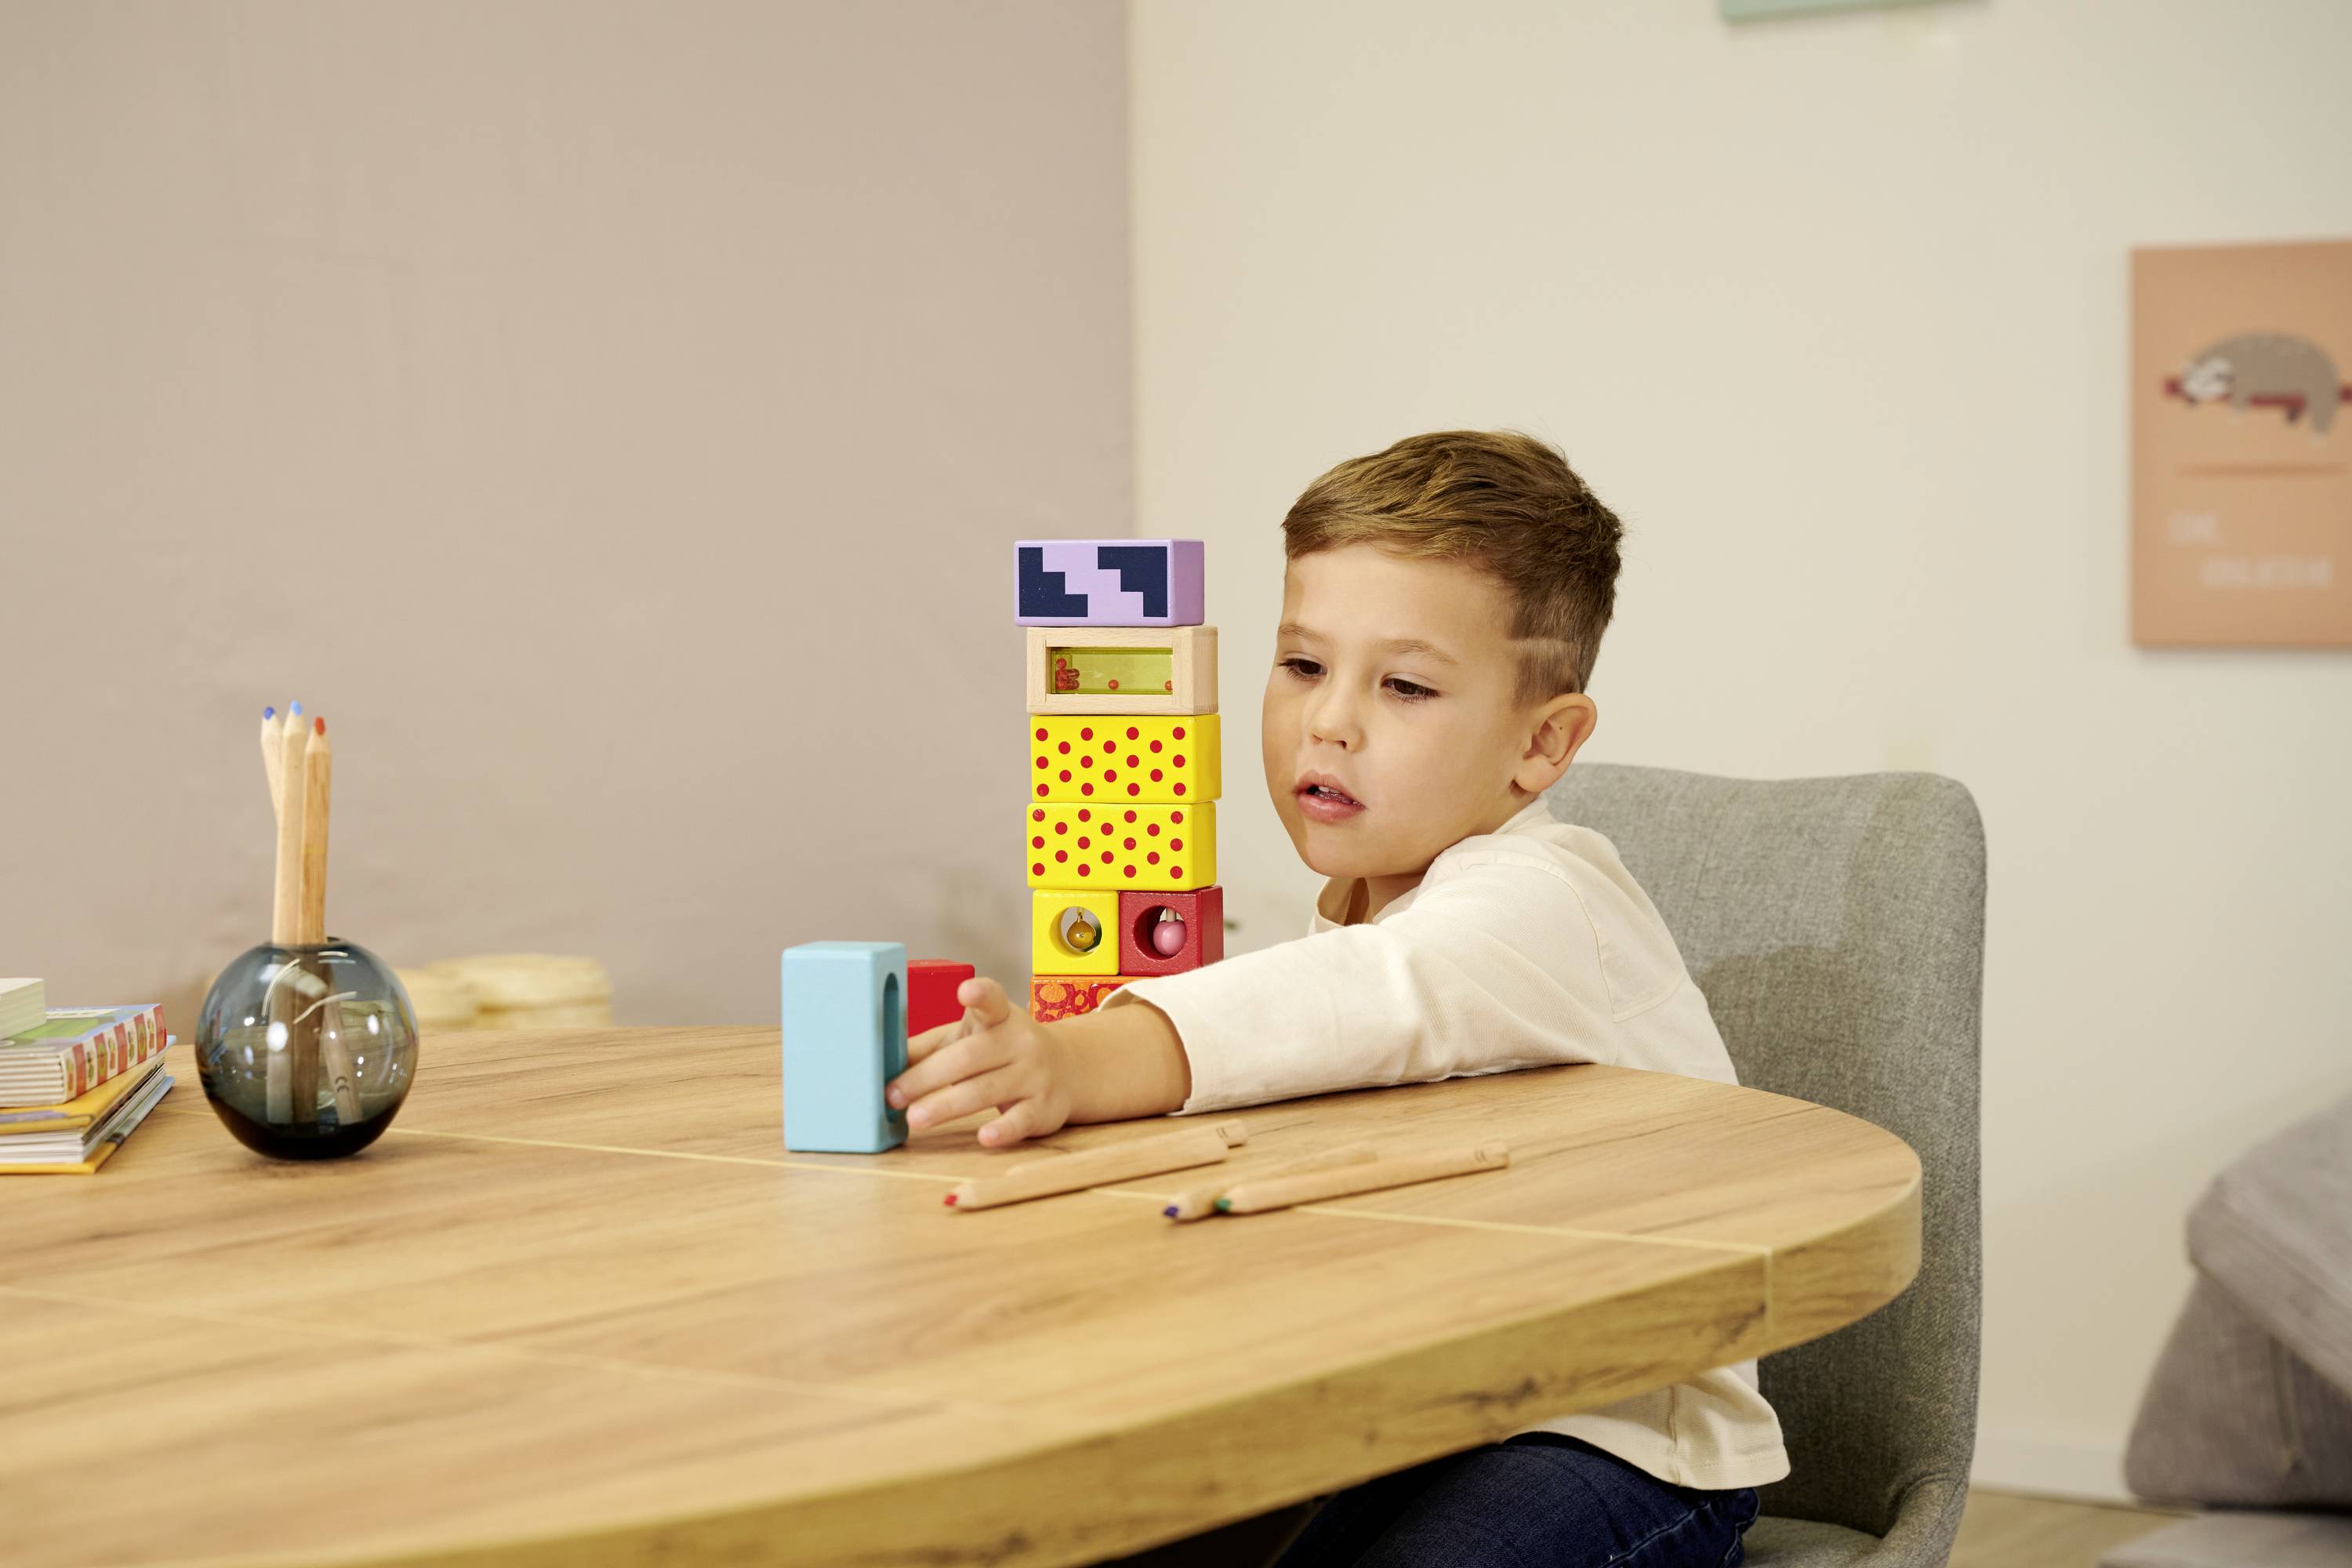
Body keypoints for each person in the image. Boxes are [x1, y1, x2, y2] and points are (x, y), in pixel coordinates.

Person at [886, 430, 1780, 1566]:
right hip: (1419, 1415)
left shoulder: (1541, 901)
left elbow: (1358, 998)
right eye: (1304, 665)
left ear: (1542, 744)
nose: (1329, 720)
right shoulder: (1356, 905)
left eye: (1403, 686)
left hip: (1615, 1437)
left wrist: (1076, 1062)